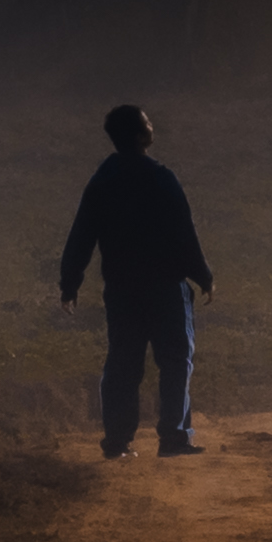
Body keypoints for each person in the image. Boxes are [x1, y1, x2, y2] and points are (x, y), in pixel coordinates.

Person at [55, 101, 216, 459]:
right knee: (175, 361)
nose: (153, 125)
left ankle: (117, 441)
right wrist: (203, 275)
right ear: (141, 135)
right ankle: (173, 437)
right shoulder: (161, 178)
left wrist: (70, 283)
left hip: (123, 289)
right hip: (166, 287)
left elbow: (82, 234)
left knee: (123, 363)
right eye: (148, 123)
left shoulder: (102, 182)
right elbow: (184, 233)